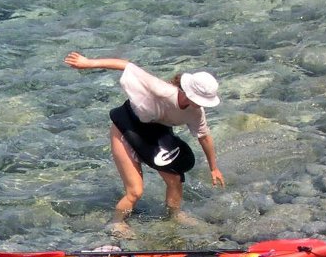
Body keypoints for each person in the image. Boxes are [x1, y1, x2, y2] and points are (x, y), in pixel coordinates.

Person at [64, 52, 225, 238]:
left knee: (175, 180)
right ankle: (116, 222)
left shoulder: (196, 112)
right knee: (135, 191)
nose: (200, 105)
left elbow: (204, 136)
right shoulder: (161, 90)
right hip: (127, 127)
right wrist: (88, 62)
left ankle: (174, 215)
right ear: (188, 92)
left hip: (156, 132)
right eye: (199, 100)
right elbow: (126, 65)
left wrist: (214, 168)